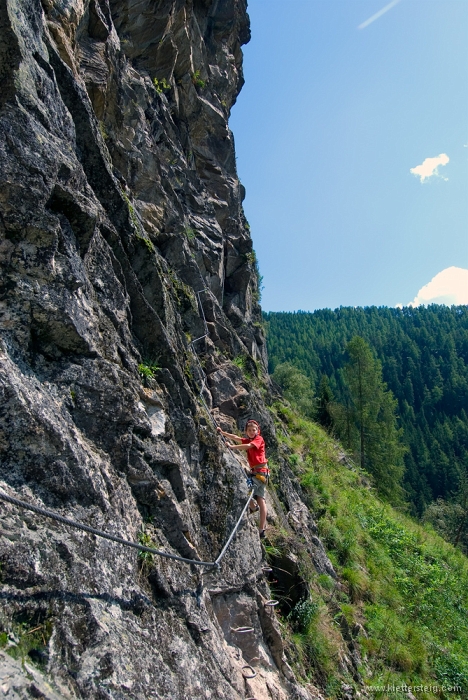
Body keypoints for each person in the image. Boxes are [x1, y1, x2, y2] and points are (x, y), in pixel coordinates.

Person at [217, 419, 269, 539]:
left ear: (258, 431)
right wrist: (223, 433)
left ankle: (253, 508)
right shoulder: (251, 439)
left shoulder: (258, 439)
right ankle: (261, 529)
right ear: (246, 432)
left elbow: (247, 446)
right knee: (261, 499)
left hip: (259, 473)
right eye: (249, 430)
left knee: (245, 488)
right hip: (262, 473)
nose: (251, 432)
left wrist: (232, 447)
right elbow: (236, 437)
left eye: (253, 430)